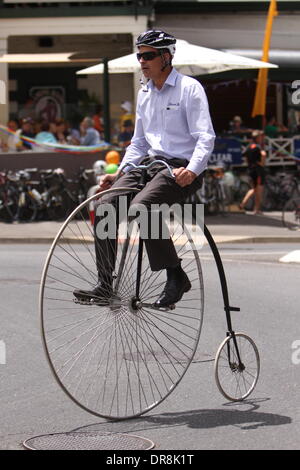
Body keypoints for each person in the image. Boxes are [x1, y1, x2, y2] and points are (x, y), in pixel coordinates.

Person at [73, 29, 215, 308]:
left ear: (166, 56)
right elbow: (138, 143)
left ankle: (175, 276)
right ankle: (105, 283)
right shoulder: (145, 93)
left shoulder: (189, 88)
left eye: (148, 55)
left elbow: (205, 137)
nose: (142, 61)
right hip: (151, 165)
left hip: (180, 168)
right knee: (105, 205)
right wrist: (121, 173)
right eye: (139, 55)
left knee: (141, 207)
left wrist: (193, 169)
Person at [239, 130, 267, 215]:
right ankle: (256, 209)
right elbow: (262, 161)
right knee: (258, 190)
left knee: (254, 189)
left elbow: (245, 156)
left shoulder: (249, 146)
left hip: (250, 169)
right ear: (257, 138)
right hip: (258, 170)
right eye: (260, 137)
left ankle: (243, 204)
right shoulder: (258, 148)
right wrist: (263, 156)